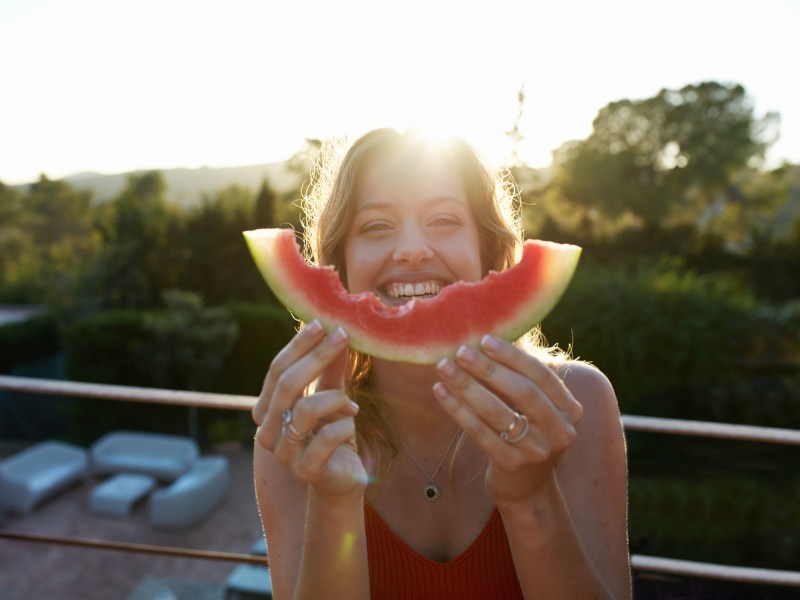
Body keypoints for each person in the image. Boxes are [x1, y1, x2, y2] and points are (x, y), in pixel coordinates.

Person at [251, 128, 631, 599]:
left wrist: (530, 497)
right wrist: (333, 502)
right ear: (341, 264)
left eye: (444, 220)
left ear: (487, 253)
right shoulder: (295, 437)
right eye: (376, 226)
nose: (412, 249)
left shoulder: (578, 403)